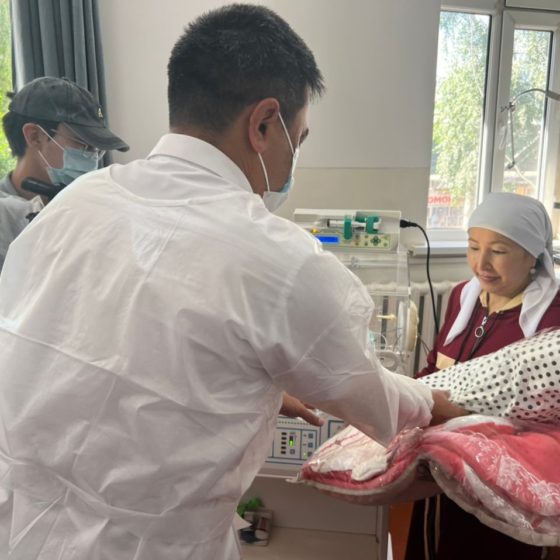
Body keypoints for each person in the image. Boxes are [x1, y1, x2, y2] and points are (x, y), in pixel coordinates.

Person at [0, 5, 463, 559]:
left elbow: (93, 354)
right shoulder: (280, 258)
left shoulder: (78, 201)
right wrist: (444, 403)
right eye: (298, 138)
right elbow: (374, 397)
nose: (294, 158)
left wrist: (245, 381)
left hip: (21, 528)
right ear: (264, 123)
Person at [405, 192, 560, 560]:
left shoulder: (552, 318)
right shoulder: (464, 297)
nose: (481, 264)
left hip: (505, 482)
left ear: (533, 255)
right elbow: (437, 366)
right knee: (433, 543)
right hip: (440, 466)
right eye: (473, 247)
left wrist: (459, 417)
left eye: (499, 251)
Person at [0, 76, 129, 270]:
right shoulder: (5, 217)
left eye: (97, 149)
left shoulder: (89, 206)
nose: (93, 158)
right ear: (35, 137)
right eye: (83, 144)